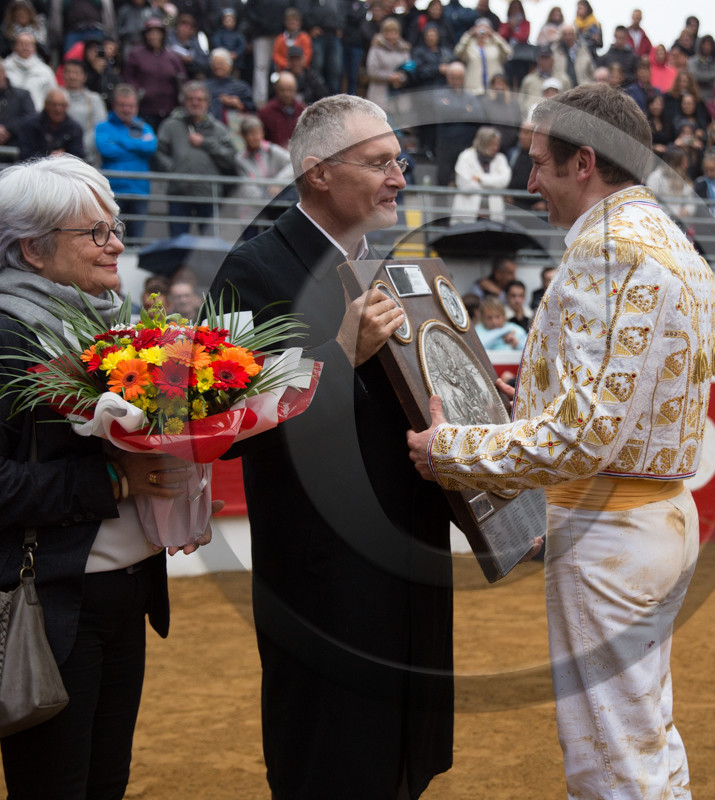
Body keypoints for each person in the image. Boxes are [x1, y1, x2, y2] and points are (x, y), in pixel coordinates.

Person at [407, 82, 715, 800]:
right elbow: (623, 400)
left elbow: (583, 436)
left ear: (584, 163)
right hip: (662, 514)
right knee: (647, 734)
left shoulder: (604, 252)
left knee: (612, 760)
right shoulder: (674, 242)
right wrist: (536, 405)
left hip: (607, 531)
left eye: (538, 162)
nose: (528, 181)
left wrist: (450, 450)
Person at [0, 155, 206, 796]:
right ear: (32, 248)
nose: (117, 245)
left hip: (127, 594)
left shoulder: (122, 331)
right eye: (96, 233)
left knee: (106, 781)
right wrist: (115, 484)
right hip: (48, 606)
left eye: (115, 227)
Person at [205, 94, 453, 799]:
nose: (397, 176)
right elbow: (223, 421)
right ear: (317, 173)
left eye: (398, 161)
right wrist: (339, 349)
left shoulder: (399, 270)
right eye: (379, 163)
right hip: (324, 574)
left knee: (404, 759)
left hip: (411, 557)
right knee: (333, 758)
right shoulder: (253, 270)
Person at [153, 80, 238, 237]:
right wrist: (173, 169)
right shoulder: (171, 126)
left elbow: (230, 158)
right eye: (191, 99)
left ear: (207, 103)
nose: (195, 103)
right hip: (179, 193)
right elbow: (158, 152)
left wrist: (205, 143)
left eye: (199, 99)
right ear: (184, 102)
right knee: (177, 243)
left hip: (208, 194)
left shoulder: (218, 128)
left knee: (209, 243)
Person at [95, 84, 158, 241]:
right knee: (111, 240)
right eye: (122, 105)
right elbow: (106, 150)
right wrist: (137, 148)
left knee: (136, 242)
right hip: (113, 193)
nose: (126, 109)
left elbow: (151, 147)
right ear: (114, 106)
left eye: (130, 106)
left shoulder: (144, 127)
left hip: (139, 191)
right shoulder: (103, 127)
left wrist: (120, 142)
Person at [122, 18, 187, 131]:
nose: (154, 36)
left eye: (157, 33)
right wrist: (139, 92)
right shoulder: (136, 55)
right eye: (150, 33)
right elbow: (128, 77)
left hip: (169, 109)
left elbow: (182, 78)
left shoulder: (172, 56)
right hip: (146, 109)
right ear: (145, 35)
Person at [450, 125, 511, 223]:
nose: (496, 148)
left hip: (493, 218)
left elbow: (504, 181)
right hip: (467, 216)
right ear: (482, 143)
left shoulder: (500, 159)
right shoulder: (465, 157)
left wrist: (480, 179)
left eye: (497, 144)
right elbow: (465, 185)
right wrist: (492, 184)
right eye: (492, 144)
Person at [18, 88, 86, 161]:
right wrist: (49, 157)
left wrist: (64, 157)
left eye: (62, 105)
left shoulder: (74, 128)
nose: (58, 109)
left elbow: (78, 156)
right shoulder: (30, 125)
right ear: (46, 105)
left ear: (67, 107)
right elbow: (26, 154)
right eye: (54, 105)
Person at [60, 59, 108, 164]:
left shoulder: (94, 99)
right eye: (68, 72)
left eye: (76, 73)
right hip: (59, 153)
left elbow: (99, 126)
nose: (72, 76)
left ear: (84, 76)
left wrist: (79, 147)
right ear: (63, 75)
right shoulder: (56, 96)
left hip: (86, 155)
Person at [3, 31, 56, 110]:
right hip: (10, 115)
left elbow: (53, 95)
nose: (25, 47)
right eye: (21, 44)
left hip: (37, 116)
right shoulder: (4, 68)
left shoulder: (45, 71)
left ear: (34, 48)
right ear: (14, 47)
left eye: (29, 44)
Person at [257, 71, 305, 149]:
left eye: (290, 90)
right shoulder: (265, 113)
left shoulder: (302, 111)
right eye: (282, 90)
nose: (286, 94)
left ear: (295, 90)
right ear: (276, 90)